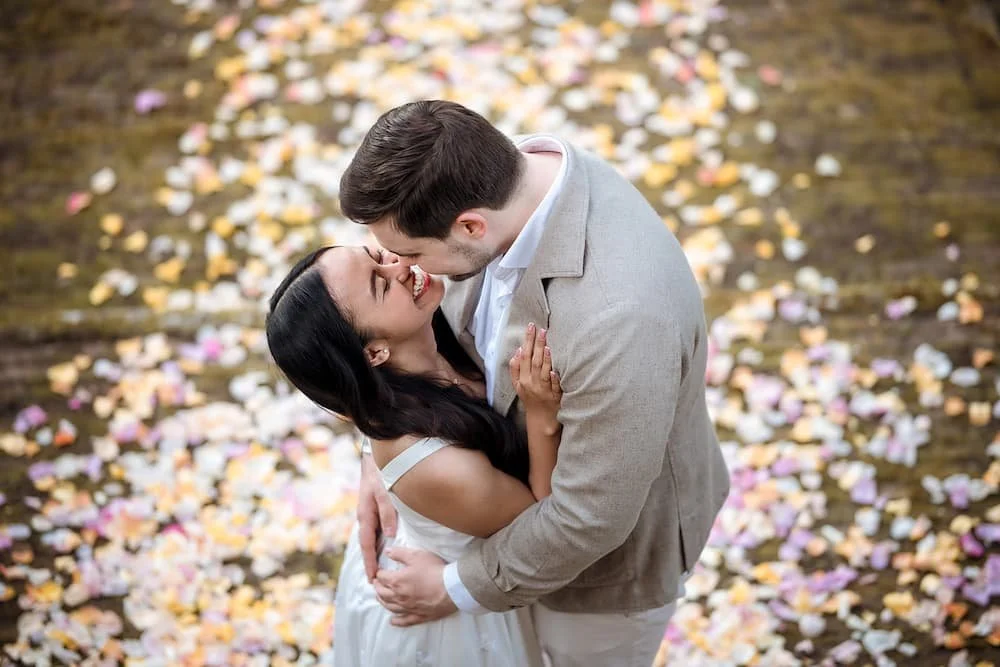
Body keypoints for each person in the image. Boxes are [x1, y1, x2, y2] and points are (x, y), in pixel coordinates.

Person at [337, 100, 732, 667]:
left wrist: (452, 587)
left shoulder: (620, 317)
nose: (404, 271)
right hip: (501, 518)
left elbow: (588, 518)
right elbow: (380, 338)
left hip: (598, 583)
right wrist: (383, 458)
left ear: (470, 225)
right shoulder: (505, 176)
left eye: (409, 254)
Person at [266, 244, 565, 666]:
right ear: (374, 353)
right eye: (379, 284)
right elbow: (541, 521)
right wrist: (541, 415)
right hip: (440, 616)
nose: (400, 266)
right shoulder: (433, 464)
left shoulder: (427, 334)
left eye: (377, 256)